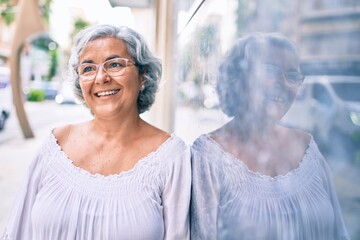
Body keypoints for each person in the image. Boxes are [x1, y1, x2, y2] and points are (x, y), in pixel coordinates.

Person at [2, 24, 191, 240]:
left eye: (115, 64)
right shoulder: (56, 144)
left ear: (143, 76)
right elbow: (18, 231)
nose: (100, 78)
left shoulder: (172, 157)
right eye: (88, 68)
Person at [190, 32, 349, 239]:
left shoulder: (308, 148)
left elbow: (340, 233)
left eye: (292, 75)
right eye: (270, 71)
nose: (282, 82)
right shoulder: (208, 156)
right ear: (238, 78)